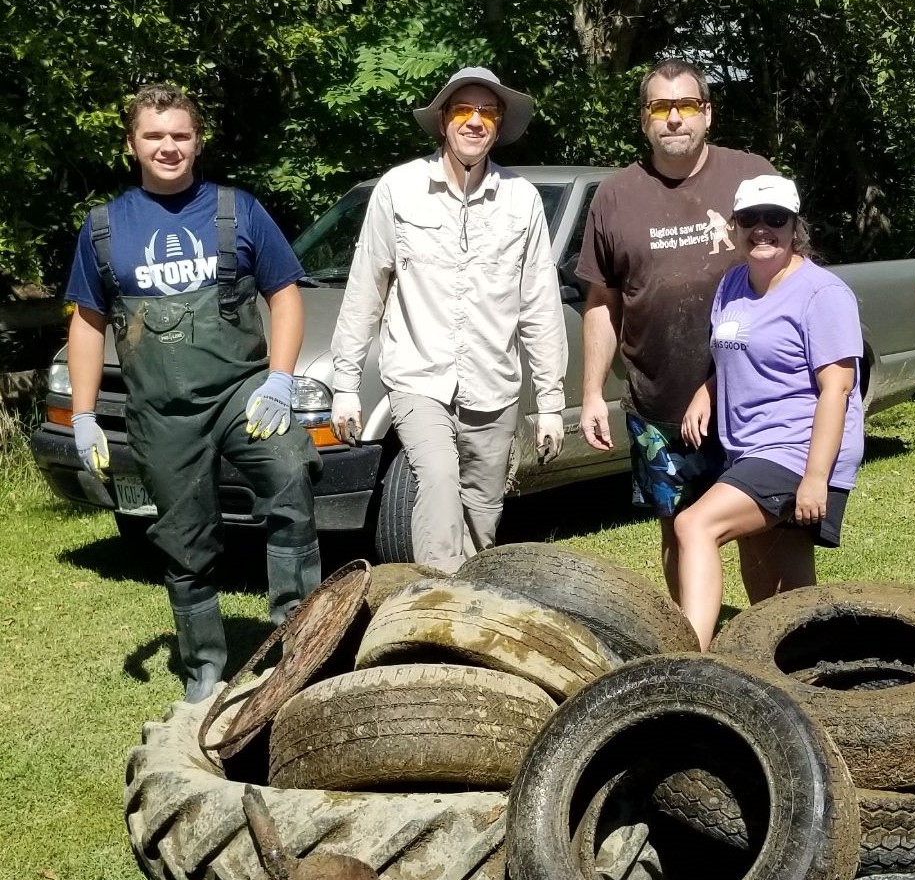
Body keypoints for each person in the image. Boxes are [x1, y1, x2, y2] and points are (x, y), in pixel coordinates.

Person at [65, 83, 322, 702]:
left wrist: (280, 381)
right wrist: (82, 417)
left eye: (180, 134)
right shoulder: (104, 228)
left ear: (197, 140)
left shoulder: (237, 210)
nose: (168, 147)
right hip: (162, 411)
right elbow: (86, 323)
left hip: (242, 394)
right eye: (154, 136)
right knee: (185, 539)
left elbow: (284, 294)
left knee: (291, 477)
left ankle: (303, 641)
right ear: (132, 145)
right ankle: (204, 668)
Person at [329, 67, 566, 571]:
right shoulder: (399, 189)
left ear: (499, 126)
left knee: (482, 511)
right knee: (436, 480)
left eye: (488, 112)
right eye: (464, 110)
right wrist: (346, 385)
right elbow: (365, 289)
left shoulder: (521, 200)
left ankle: (463, 610)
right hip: (419, 378)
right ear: (443, 121)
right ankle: (433, 604)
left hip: (494, 385)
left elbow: (540, 306)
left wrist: (549, 403)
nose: (475, 121)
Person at [577, 56, 784, 601]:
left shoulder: (749, 176)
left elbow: (789, 279)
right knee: (678, 527)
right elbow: (602, 299)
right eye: (661, 107)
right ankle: (693, 656)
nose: (675, 118)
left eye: (687, 105)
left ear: (707, 114)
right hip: (657, 402)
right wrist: (593, 392)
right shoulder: (615, 196)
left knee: (759, 529)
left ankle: (763, 650)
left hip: (750, 398)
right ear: (644, 119)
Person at [675, 175, 864, 650]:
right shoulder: (733, 283)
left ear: (795, 226)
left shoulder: (823, 294)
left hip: (796, 449)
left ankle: (687, 659)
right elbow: (733, 350)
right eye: (751, 219)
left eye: (775, 219)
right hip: (749, 448)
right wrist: (707, 391)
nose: (763, 229)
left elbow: (836, 388)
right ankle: (818, 678)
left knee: (694, 524)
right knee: (776, 597)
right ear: (735, 227)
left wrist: (815, 477)